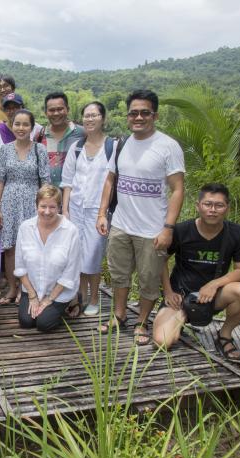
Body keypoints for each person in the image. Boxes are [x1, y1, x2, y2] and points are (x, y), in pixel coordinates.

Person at [96, 89, 185, 346]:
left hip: (152, 229)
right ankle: (120, 314)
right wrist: (103, 214)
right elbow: (110, 179)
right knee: (119, 274)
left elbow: (178, 189)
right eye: (133, 113)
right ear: (127, 116)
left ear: (154, 115)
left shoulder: (167, 146)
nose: (138, 117)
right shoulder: (121, 144)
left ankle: (142, 322)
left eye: (144, 112)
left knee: (148, 279)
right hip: (122, 224)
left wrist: (168, 227)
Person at [152, 183, 240, 360]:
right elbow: (161, 259)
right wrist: (168, 292)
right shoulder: (182, 230)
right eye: (208, 204)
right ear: (198, 206)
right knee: (162, 342)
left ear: (227, 208)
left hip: (214, 296)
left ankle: (224, 335)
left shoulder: (235, 232)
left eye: (219, 205)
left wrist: (214, 284)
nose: (213, 210)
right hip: (180, 296)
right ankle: (182, 317)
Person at [62, 101, 116, 317]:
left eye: (94, 115)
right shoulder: (76, 147)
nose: (90, 119)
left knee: (93, 256)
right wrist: (65, 210)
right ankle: (80, 297)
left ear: (103, 118)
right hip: (75, 208)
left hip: (98, 210)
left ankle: (94, 298)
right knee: (77, 254)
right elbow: (67, 182)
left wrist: (103, 213)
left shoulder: (112, 146)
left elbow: (112, 181)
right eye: (86, 116)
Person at [0, 109, 50, 303]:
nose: (21, 128)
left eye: (25, 124)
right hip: (9, 202)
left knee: (30, 247)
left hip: (33, 203)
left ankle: (26, 290)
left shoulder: (39, 150)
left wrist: (45, 208)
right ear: (12, 125)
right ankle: (11, 288)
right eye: (17, 123)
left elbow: (45, 181)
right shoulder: (5, 149)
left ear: (32, 127)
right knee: (9, 248)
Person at [15, 185, 81, 332]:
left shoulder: (71, 231)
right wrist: (32, 296)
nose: (47, 211)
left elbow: (70, 273)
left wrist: (48, 300)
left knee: (43, 324)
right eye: (43, 206)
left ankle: (74, 299)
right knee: (26, 322)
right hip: (32, 287)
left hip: (59, 290)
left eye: (52, 207)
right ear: (36, 205)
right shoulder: (25, 228)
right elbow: (20, 267)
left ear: (59, 207)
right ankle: (40, 303)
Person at [0, 93, 44, 209]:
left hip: (32, 192)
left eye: (15, 107)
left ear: (22, 108)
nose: (12, 111)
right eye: (8, 108)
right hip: (4, 192)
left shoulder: (37, 129)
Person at [37, 92, 84, 188]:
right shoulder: (40, 136)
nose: (56, 113)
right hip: (48, 197)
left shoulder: (82, 133)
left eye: (60, 109)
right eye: (51, 110)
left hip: (74, 195)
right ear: (46, 112)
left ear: (68, 109)